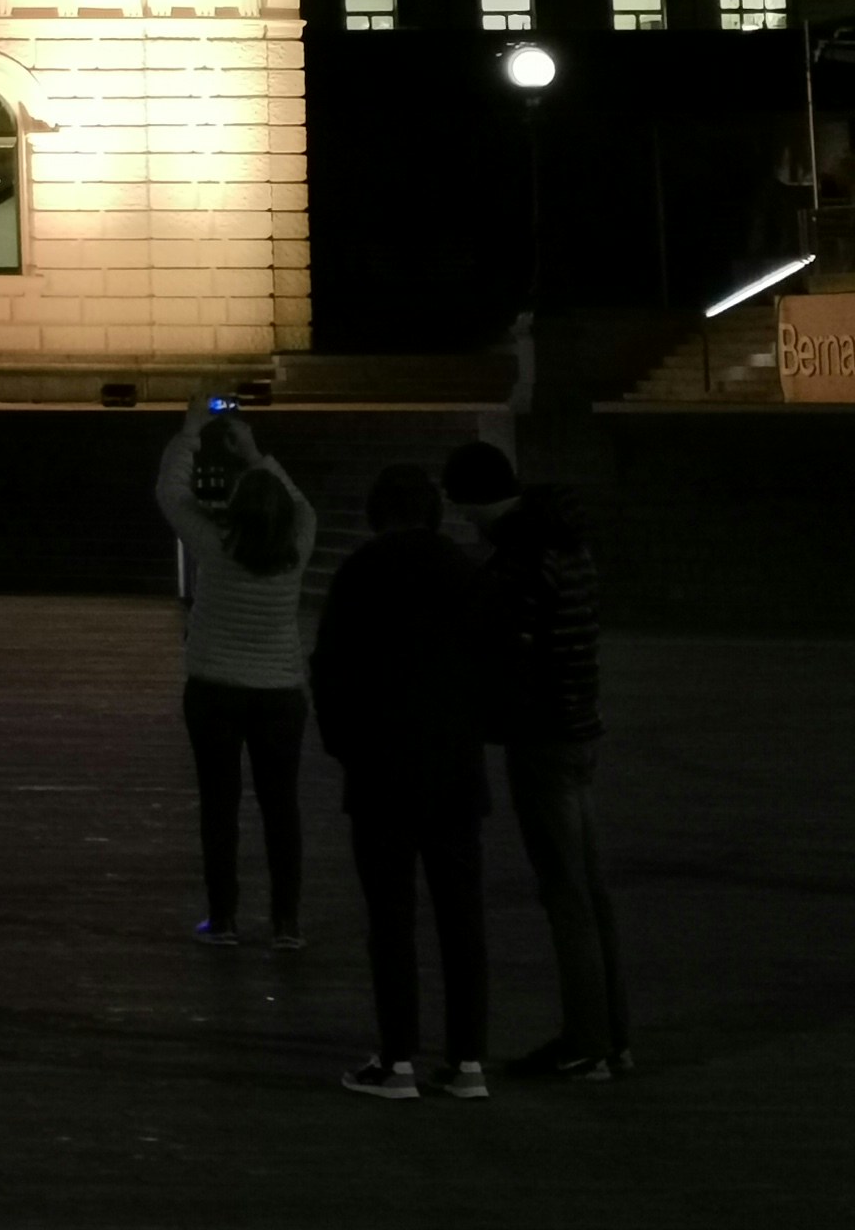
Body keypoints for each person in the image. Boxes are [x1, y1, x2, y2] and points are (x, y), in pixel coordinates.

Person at [444, 438, 628, 1080]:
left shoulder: (520, 556)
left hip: (543, 737)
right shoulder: (568, 542)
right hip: (583, 727)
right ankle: (612, 1034)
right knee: (591, 888)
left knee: (565, 893)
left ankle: (587, 1043)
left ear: (469, 501)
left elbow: (502, 643)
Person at [313, 464, 490, 1101]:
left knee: (392, 920)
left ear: (378, 512)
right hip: (456, 767)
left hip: (383, 769)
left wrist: (347, 749)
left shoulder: (362, 571)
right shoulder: (466, 571)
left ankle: (397, 1060)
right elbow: (491, 664)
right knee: (461, 916)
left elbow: (329, 668)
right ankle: (469, 1060)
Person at [155, 394, 317, 946]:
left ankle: (222, 917)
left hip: (214, 691)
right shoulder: (297, 545)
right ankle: (286, 922)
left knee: (218, 806)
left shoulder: (216, 544)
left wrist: (191, 433)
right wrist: (253, 452)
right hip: (279, 695)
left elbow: (171, 494)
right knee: (281, 808)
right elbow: (300, 505)